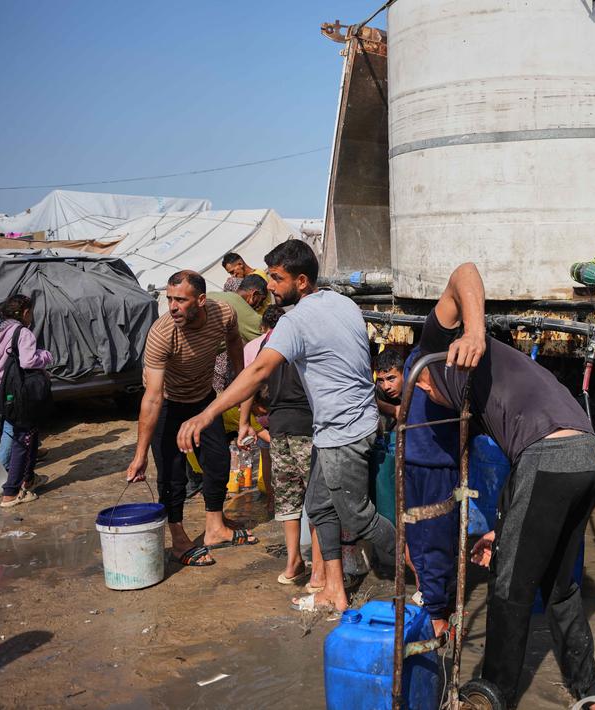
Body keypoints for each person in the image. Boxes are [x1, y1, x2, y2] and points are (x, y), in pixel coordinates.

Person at [411, 263, 595, 707]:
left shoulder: (436, 349)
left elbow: (464, 273)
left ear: (420, 378)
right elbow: (523, 483)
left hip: (549, 454)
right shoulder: (478, 402)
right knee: (560, 588)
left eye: (423, 392)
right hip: (585, 457)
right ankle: (590, 693)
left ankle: (491, 695)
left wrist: (474, 332)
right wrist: (503, 531)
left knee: (508, 585)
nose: (428, 398)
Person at [177, 240, 396, 612]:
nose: (270, 286)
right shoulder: (343, 302)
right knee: (319, 505)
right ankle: (333, 590)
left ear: (302, 281)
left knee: (357, 516)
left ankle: (421, 569)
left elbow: (259, 371)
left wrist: (207, 413)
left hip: (343, 431)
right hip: (344, 424)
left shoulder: (295, 321)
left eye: (277, 278)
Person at [125, 270, 253, 568]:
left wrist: (239, 381)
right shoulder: (162, 334)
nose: (172, 307)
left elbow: (235, 341)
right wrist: (140, 455)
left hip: (203, 399)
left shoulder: (224, 313)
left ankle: (215, 528)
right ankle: (179, 539)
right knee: (172, 475)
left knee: (218, 461)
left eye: (180, 300)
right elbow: (152, 398)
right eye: (169, 299)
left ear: (201, 300)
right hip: (168, 405)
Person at [238, 306, 326, 589]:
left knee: (289, 497)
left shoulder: (268, 343)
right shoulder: (306, 339)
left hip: (279, 429)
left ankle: (293, 563)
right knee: (316, 498)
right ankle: (318, 571)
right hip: (305, 427)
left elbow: (252, 381)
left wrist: (244, 422)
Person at [398, 344, 463, 637]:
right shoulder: (419, 354)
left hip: (439, 462)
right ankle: (431, 600)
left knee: (436, 537)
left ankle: (436, 611)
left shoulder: (451, 355)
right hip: (412, 459)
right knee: (417, 538)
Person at [0, 295, 51, 508]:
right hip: (17, 393)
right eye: (31, 313)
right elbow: (28, 361)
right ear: (25, 313)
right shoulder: (22, 332)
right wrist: (45, 356)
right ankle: (10, 492)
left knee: (26, 434)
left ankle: (28, 480)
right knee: (21, 438)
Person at [373, 347, 406, 432]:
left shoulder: (416, 390)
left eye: (391, 378)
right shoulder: (378, 390)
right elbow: (368, 399)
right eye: (381, 380)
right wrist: (392, 409)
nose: (386, 386)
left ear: (404, 373)